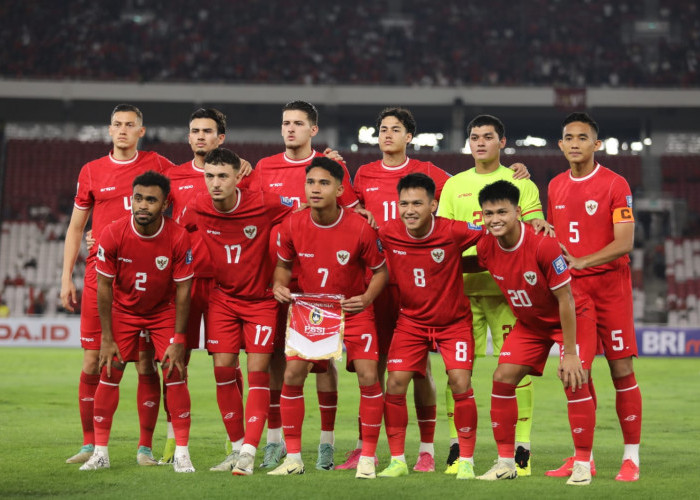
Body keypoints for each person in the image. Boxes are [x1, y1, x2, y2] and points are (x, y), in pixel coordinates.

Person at [242, 101, 360, 471]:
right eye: (285, 123)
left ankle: (326, 442)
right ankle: (275, 441)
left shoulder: (328, 166)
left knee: (322, 364)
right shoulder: (264, 167)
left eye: (297, 123)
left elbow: (352, 212)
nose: (290, 129)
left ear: (313, 129)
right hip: (277, 279)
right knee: (277, 361)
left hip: (318, 281)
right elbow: (250, 209)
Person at [61, 104, 175, 466]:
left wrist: (243, 169)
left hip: (146, 278)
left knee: (145, 364)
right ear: (109, 130)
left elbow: (193, 182)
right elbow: (76, 227)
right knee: (93, 359)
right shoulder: (91, 171)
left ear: (141, 131)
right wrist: (66, 277)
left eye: (130, 125)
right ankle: (89, 445)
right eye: (117, 124)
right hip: (101, 276)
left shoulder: (158, 164)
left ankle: (145, 448)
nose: (122, 129)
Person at [340, 107, 452, 472]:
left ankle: (426, 451)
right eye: (383, 129)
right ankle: (365, 448)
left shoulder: (428, 171)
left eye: (395, 129)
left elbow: (465, 189)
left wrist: (514, 173)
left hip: (411, 283)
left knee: (419, 369)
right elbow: (349, 210)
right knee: (372, 368)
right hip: (374, 281)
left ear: (409, 137)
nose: (387, 135)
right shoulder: (364, 173)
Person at [437, 114, 545, 475]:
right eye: (474, 137)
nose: (480, 142)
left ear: (502, 142)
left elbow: (534, 230)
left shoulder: (520, 182)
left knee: (516, 371)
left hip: (509, 295)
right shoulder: (454, 185)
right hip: (462, 294)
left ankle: (521, 450)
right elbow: (445, 238)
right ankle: (457, 448)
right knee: (457, 373)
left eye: (487, 136)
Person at [471, 180, 597, 486]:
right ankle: (505, 464)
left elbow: (566, 299)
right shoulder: (486, 246)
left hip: (572, 316)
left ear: (518, 212)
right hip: (531, 324)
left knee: (574, 378)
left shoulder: (543, 244)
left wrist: (569, 353)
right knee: (502, 378)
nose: (495, 219)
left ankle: (583, 464)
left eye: (502, 212)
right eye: (488, 213)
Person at [178, 147, 294, 475]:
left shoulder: (264, 202)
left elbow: (301, 212)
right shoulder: (197, 205)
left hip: (261, 300)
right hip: (223, 299)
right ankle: (236, 447)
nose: (215, 183)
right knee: (223, 371)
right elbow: (174, 233)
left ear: (236, 178)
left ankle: (249, 452)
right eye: (209, 176)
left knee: (258, 372)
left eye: (222, 176)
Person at [270, 157, 388, 479]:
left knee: (368, 375)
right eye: (311, 182)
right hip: (313, 309)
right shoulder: (292, 224)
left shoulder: (360, 227)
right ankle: (293, 458)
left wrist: (366, 298)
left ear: (339, 189)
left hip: (353, 308)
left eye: (324, 183)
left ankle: (367, 457)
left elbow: (381, 271)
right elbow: (283, 265)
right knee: (293, 373)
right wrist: (279, 285)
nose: (315, 189)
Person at [547, 112, 641, 482]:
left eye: (582, 138)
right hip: (574, 294)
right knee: (575, 373)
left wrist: (582, 260)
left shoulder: (615, 183)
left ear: (596, 144)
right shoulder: (555, 185)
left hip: (611, 288)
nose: (575, 144)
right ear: (560, 145)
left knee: (621, 370)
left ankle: (631, 458)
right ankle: (583, 458)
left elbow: (625, 241)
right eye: (568, 138)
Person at [80, 170, 195, 472]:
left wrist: (180, 339)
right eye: (138, 198)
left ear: (165, 204)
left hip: (162, 311)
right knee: (110, 369)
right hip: (125, 311)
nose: (143, 205)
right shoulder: (113, 233)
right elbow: (104, 286)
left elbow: (184, 291)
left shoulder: (178, 236)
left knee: (174, 370)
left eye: (151, 200)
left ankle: (182, 453)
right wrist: (107, 338)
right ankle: (100, 453)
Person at [159, 108, 251, 464]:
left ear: (220, 138)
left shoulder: (239, 174)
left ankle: (234, 441)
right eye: (195, 131)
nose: (200, 136)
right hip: (182, 282)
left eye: (207, 131)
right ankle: (173, 441)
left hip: (222, 283)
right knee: (175, 359)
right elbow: (154, 219)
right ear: (188, 137)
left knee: (226, 365)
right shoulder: (173, 176)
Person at [376, 173, 482, 480]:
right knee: (395, 383)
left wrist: (467, 264)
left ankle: (466, 460)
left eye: (417, 204)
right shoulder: (389, 232)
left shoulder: (453, 230)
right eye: (404, 204)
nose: (409, 210)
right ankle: (397, 460)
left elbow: (493, 232)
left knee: (460, 382)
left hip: (453, 322)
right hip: (411, 321)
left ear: (433, 205)